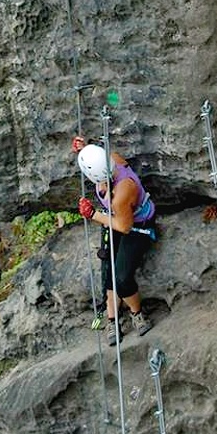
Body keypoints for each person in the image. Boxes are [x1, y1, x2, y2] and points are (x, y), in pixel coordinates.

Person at [74, 137, 155, 346]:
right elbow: (97, 158)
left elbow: (124, 227)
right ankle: (112, 320)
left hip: (137, 225)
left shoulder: (122, 192)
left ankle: (137, 313)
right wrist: (85, 149)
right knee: (109, 271)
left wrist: (93, 214)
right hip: (115, 218)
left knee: (122, 279)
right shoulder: (108, 161)